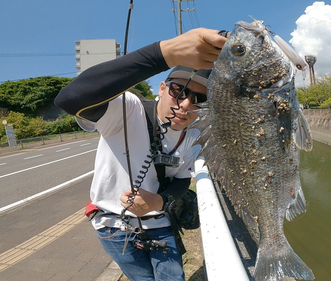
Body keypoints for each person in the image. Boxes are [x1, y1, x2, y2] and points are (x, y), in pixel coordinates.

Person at [54, 28, 227, 281]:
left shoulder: (192, 135)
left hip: (160, 223)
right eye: (179, 91)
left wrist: (160, 202)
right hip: (114, 227)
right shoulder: (127, 108)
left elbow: (181, 179)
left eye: (199, 98)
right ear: (162, 87)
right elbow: (70, 98)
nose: (186, 104)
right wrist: (162, 54)